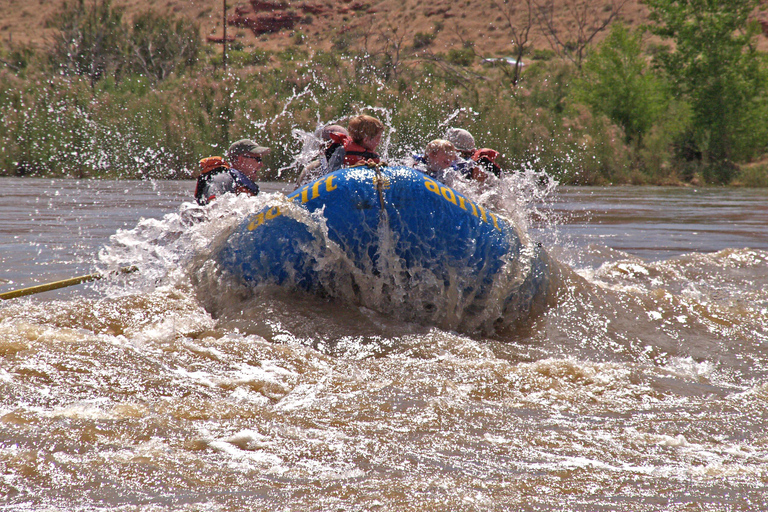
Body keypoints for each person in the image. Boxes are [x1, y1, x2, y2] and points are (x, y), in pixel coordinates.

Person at [194, 139, 269, 205]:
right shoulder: (222, 179)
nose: (261, 165)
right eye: (258, 159)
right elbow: (214, 206)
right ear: (241, 159)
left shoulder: (243, 184)